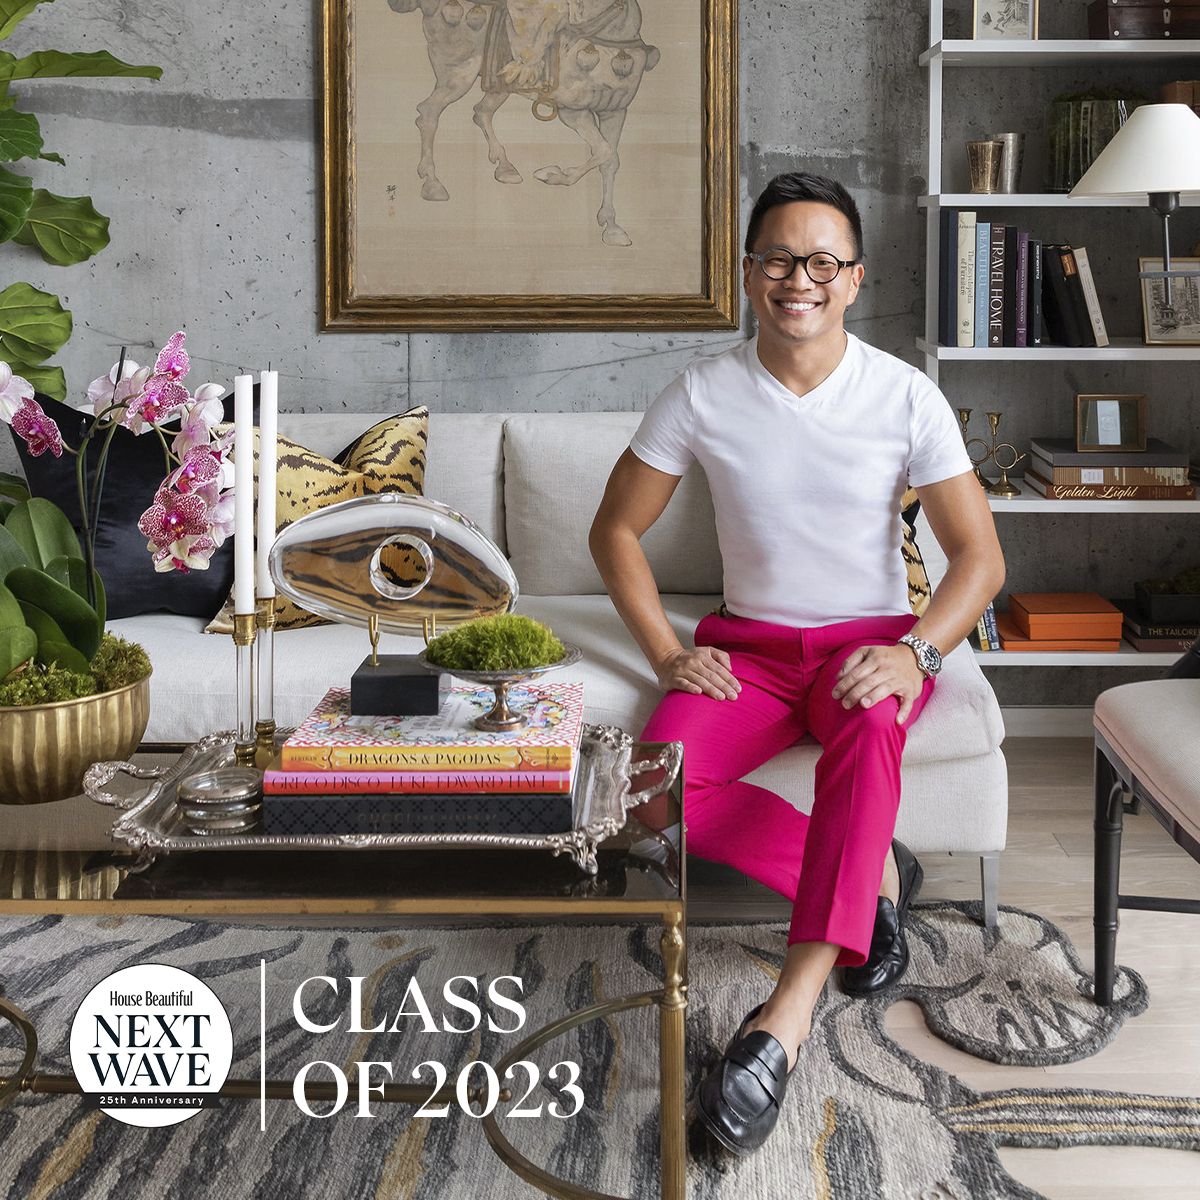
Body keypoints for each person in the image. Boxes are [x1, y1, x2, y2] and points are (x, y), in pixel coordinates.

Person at [588, 171, 1005, 1155]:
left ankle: (784, 1022)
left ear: (853, 279)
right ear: (749, 273)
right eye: (778, 258)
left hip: (868, 647)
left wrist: (913, 656)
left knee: (865, 741)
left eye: (822, 261)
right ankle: (875, 887)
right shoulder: (701, 390)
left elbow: (980, 560)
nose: (798, 279)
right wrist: (665, 650)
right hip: (750, 655)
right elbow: (615, 532)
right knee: (647, 795)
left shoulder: (905, 395)